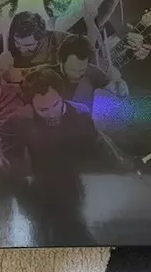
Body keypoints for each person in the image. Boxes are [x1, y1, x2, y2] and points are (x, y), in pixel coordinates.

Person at [18, 67, 134, 245]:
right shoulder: (23, 122)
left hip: (72, 185)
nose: (52, 113)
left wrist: (120, 162)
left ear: (62, 96)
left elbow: (98, 143)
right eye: (43, 109)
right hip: (39, 189)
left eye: (55, 104)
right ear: (31, 105)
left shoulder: (80, 114)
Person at [53, 34, 129, 111]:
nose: (77, 75)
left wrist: (120, 88)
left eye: (82, 70)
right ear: (61, 62)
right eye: (73, 70)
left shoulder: (92, 72)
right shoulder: (47, 75)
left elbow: (115, 88)